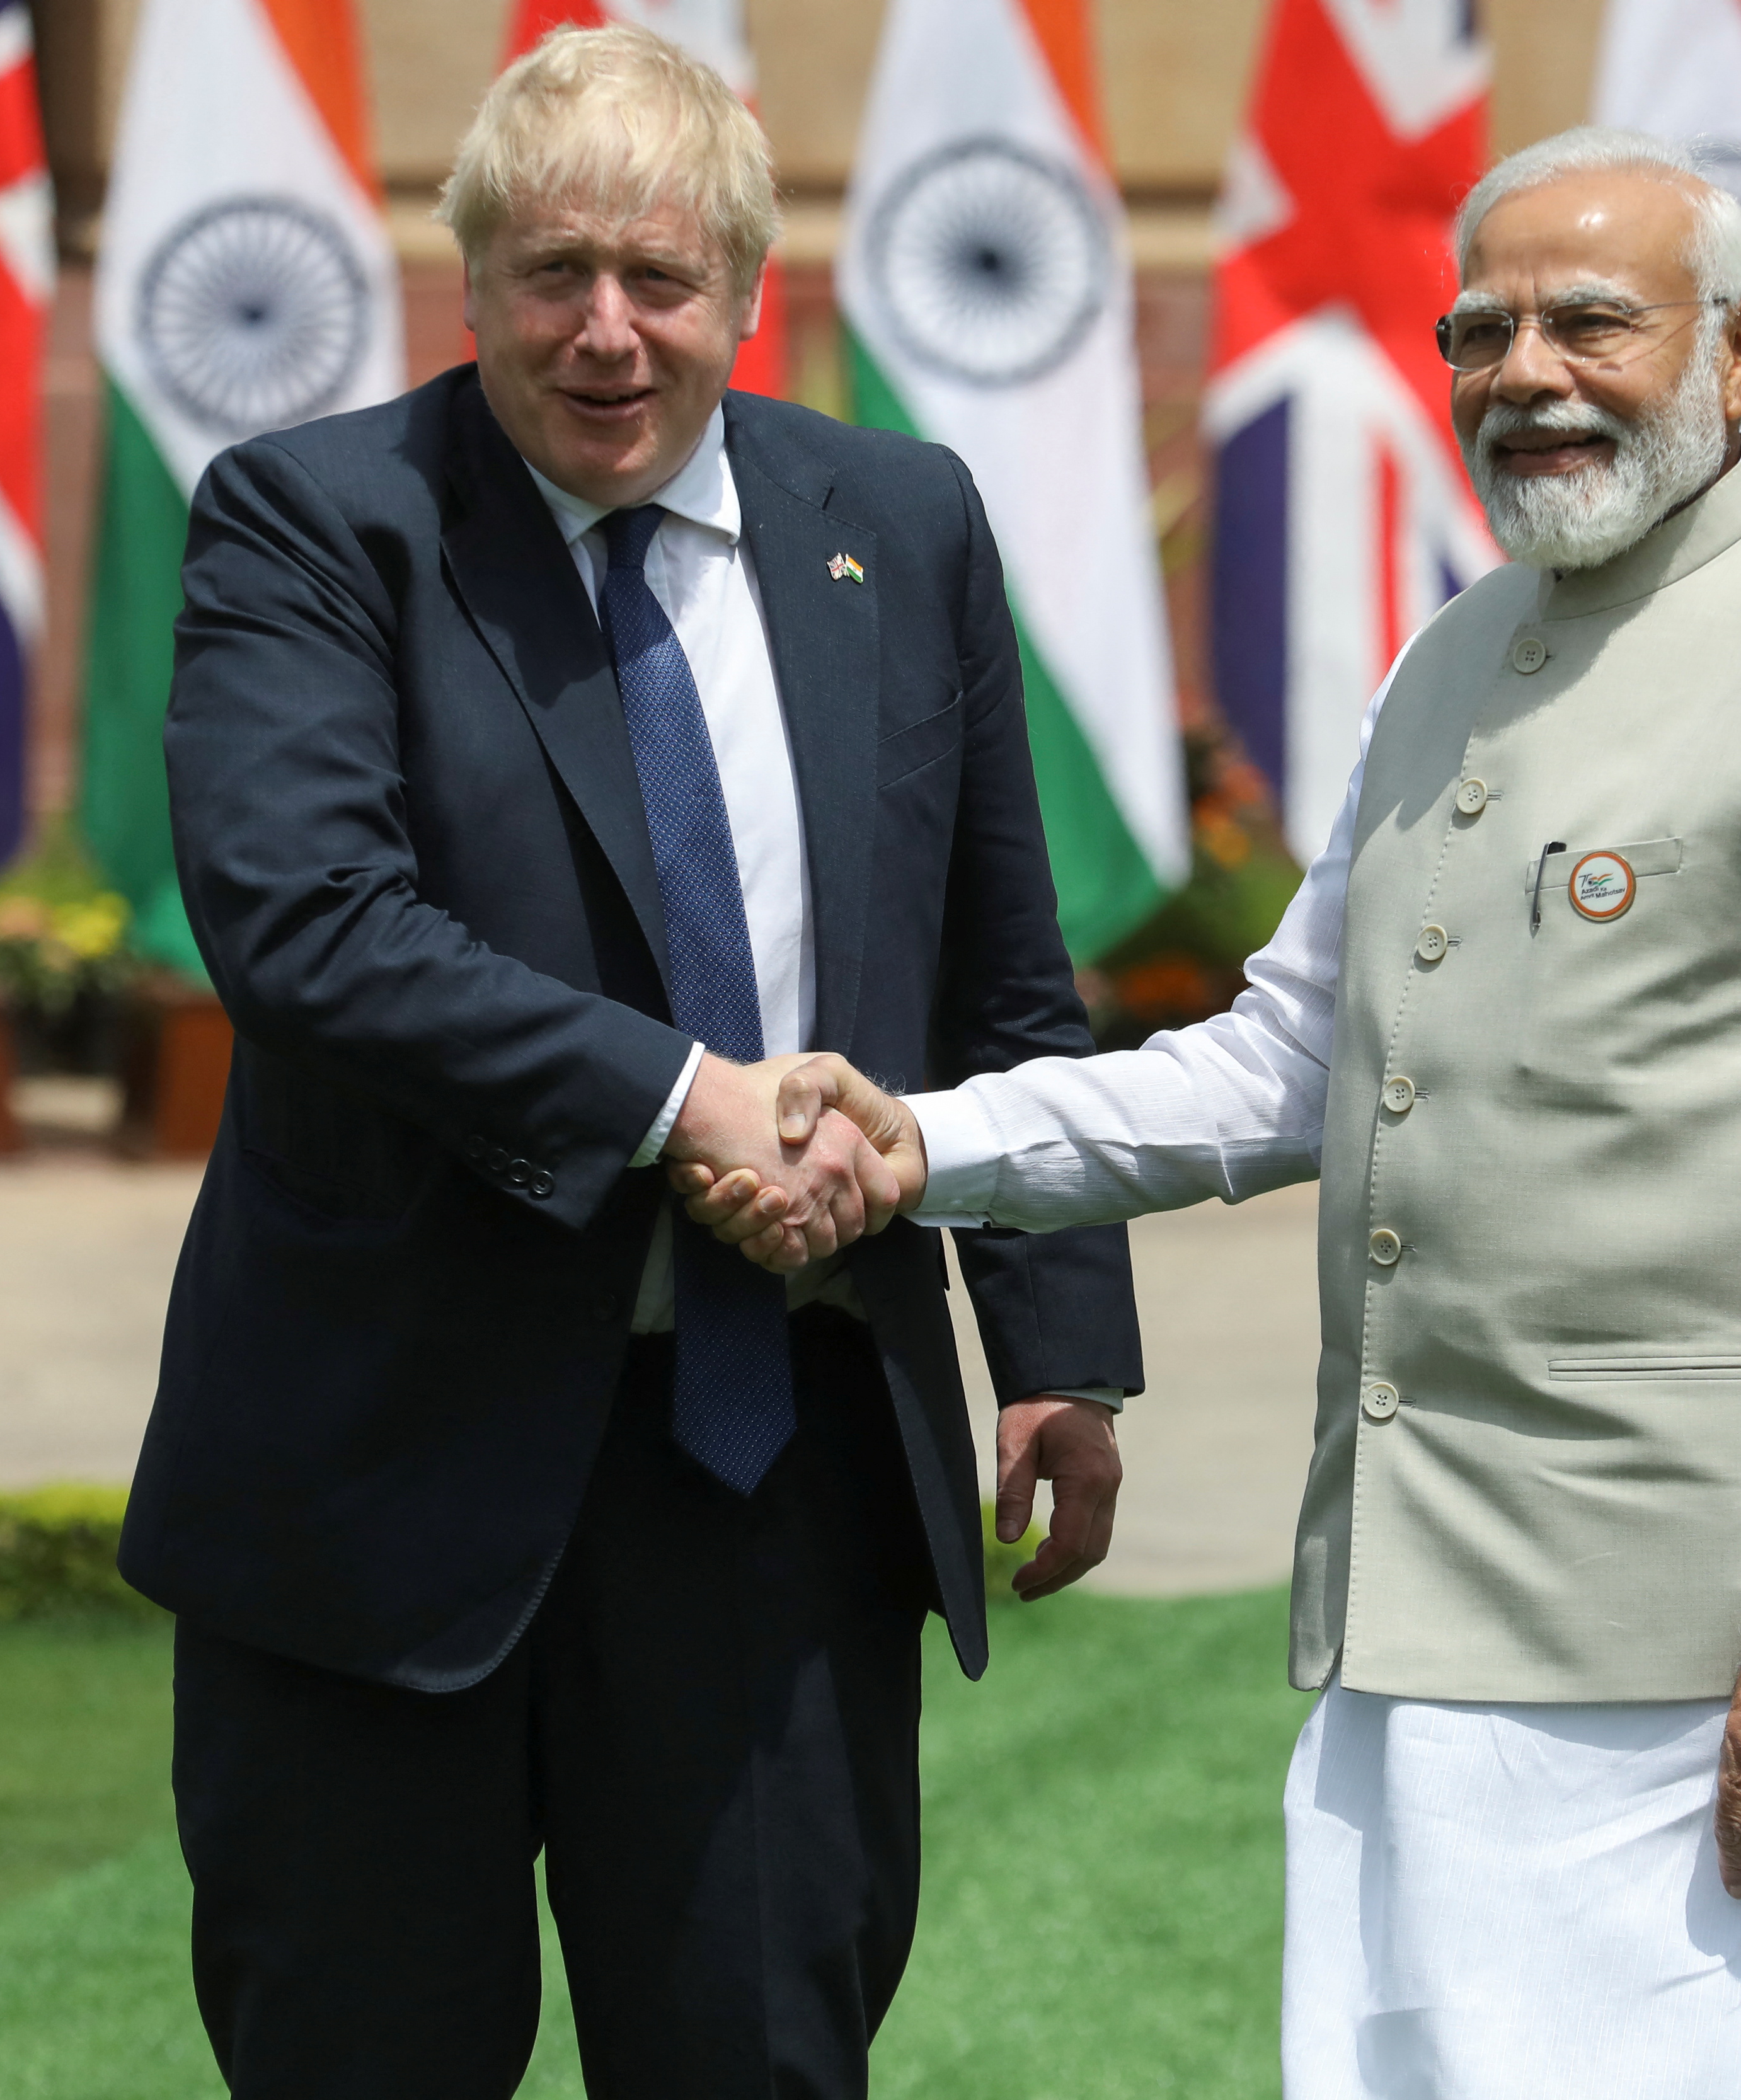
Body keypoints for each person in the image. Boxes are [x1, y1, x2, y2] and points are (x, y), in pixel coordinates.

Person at [688, 129, 1741, 2097]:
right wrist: (926, 1145)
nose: (1526, 374)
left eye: (1593, 322)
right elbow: (1284, 1065)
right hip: (1420, 1625)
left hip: (1724, 1658)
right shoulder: (1452, 659)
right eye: (1481, 327)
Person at [115, 27, 1141, 2096]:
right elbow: (307, 927)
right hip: (382, 1470)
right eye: (552, 276)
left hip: (776, 1467)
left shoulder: (902, 520)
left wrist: (1057, 1339)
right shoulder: (319, 524)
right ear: (471, 280)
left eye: (658, 281)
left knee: (764, 2063)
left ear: (751, 290)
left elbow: (996, 970)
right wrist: (693, 1102)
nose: (606, 335)